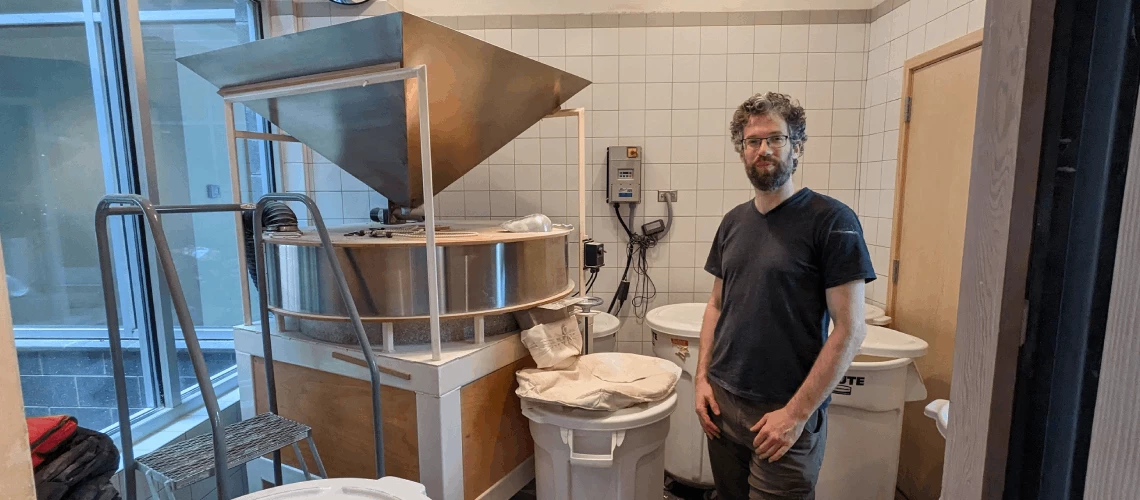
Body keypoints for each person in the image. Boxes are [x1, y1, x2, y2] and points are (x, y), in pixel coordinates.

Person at [695, 92, 876, 499]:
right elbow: (716, 305)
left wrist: (795, 415)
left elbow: (850, 329)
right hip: (723, 404)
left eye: (775, 139)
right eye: (752, 141)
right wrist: (701, 378)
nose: (763, 150)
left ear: (797, 146)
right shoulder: (733, 223)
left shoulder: (832, 221)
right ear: (741, 151)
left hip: (783, 412)